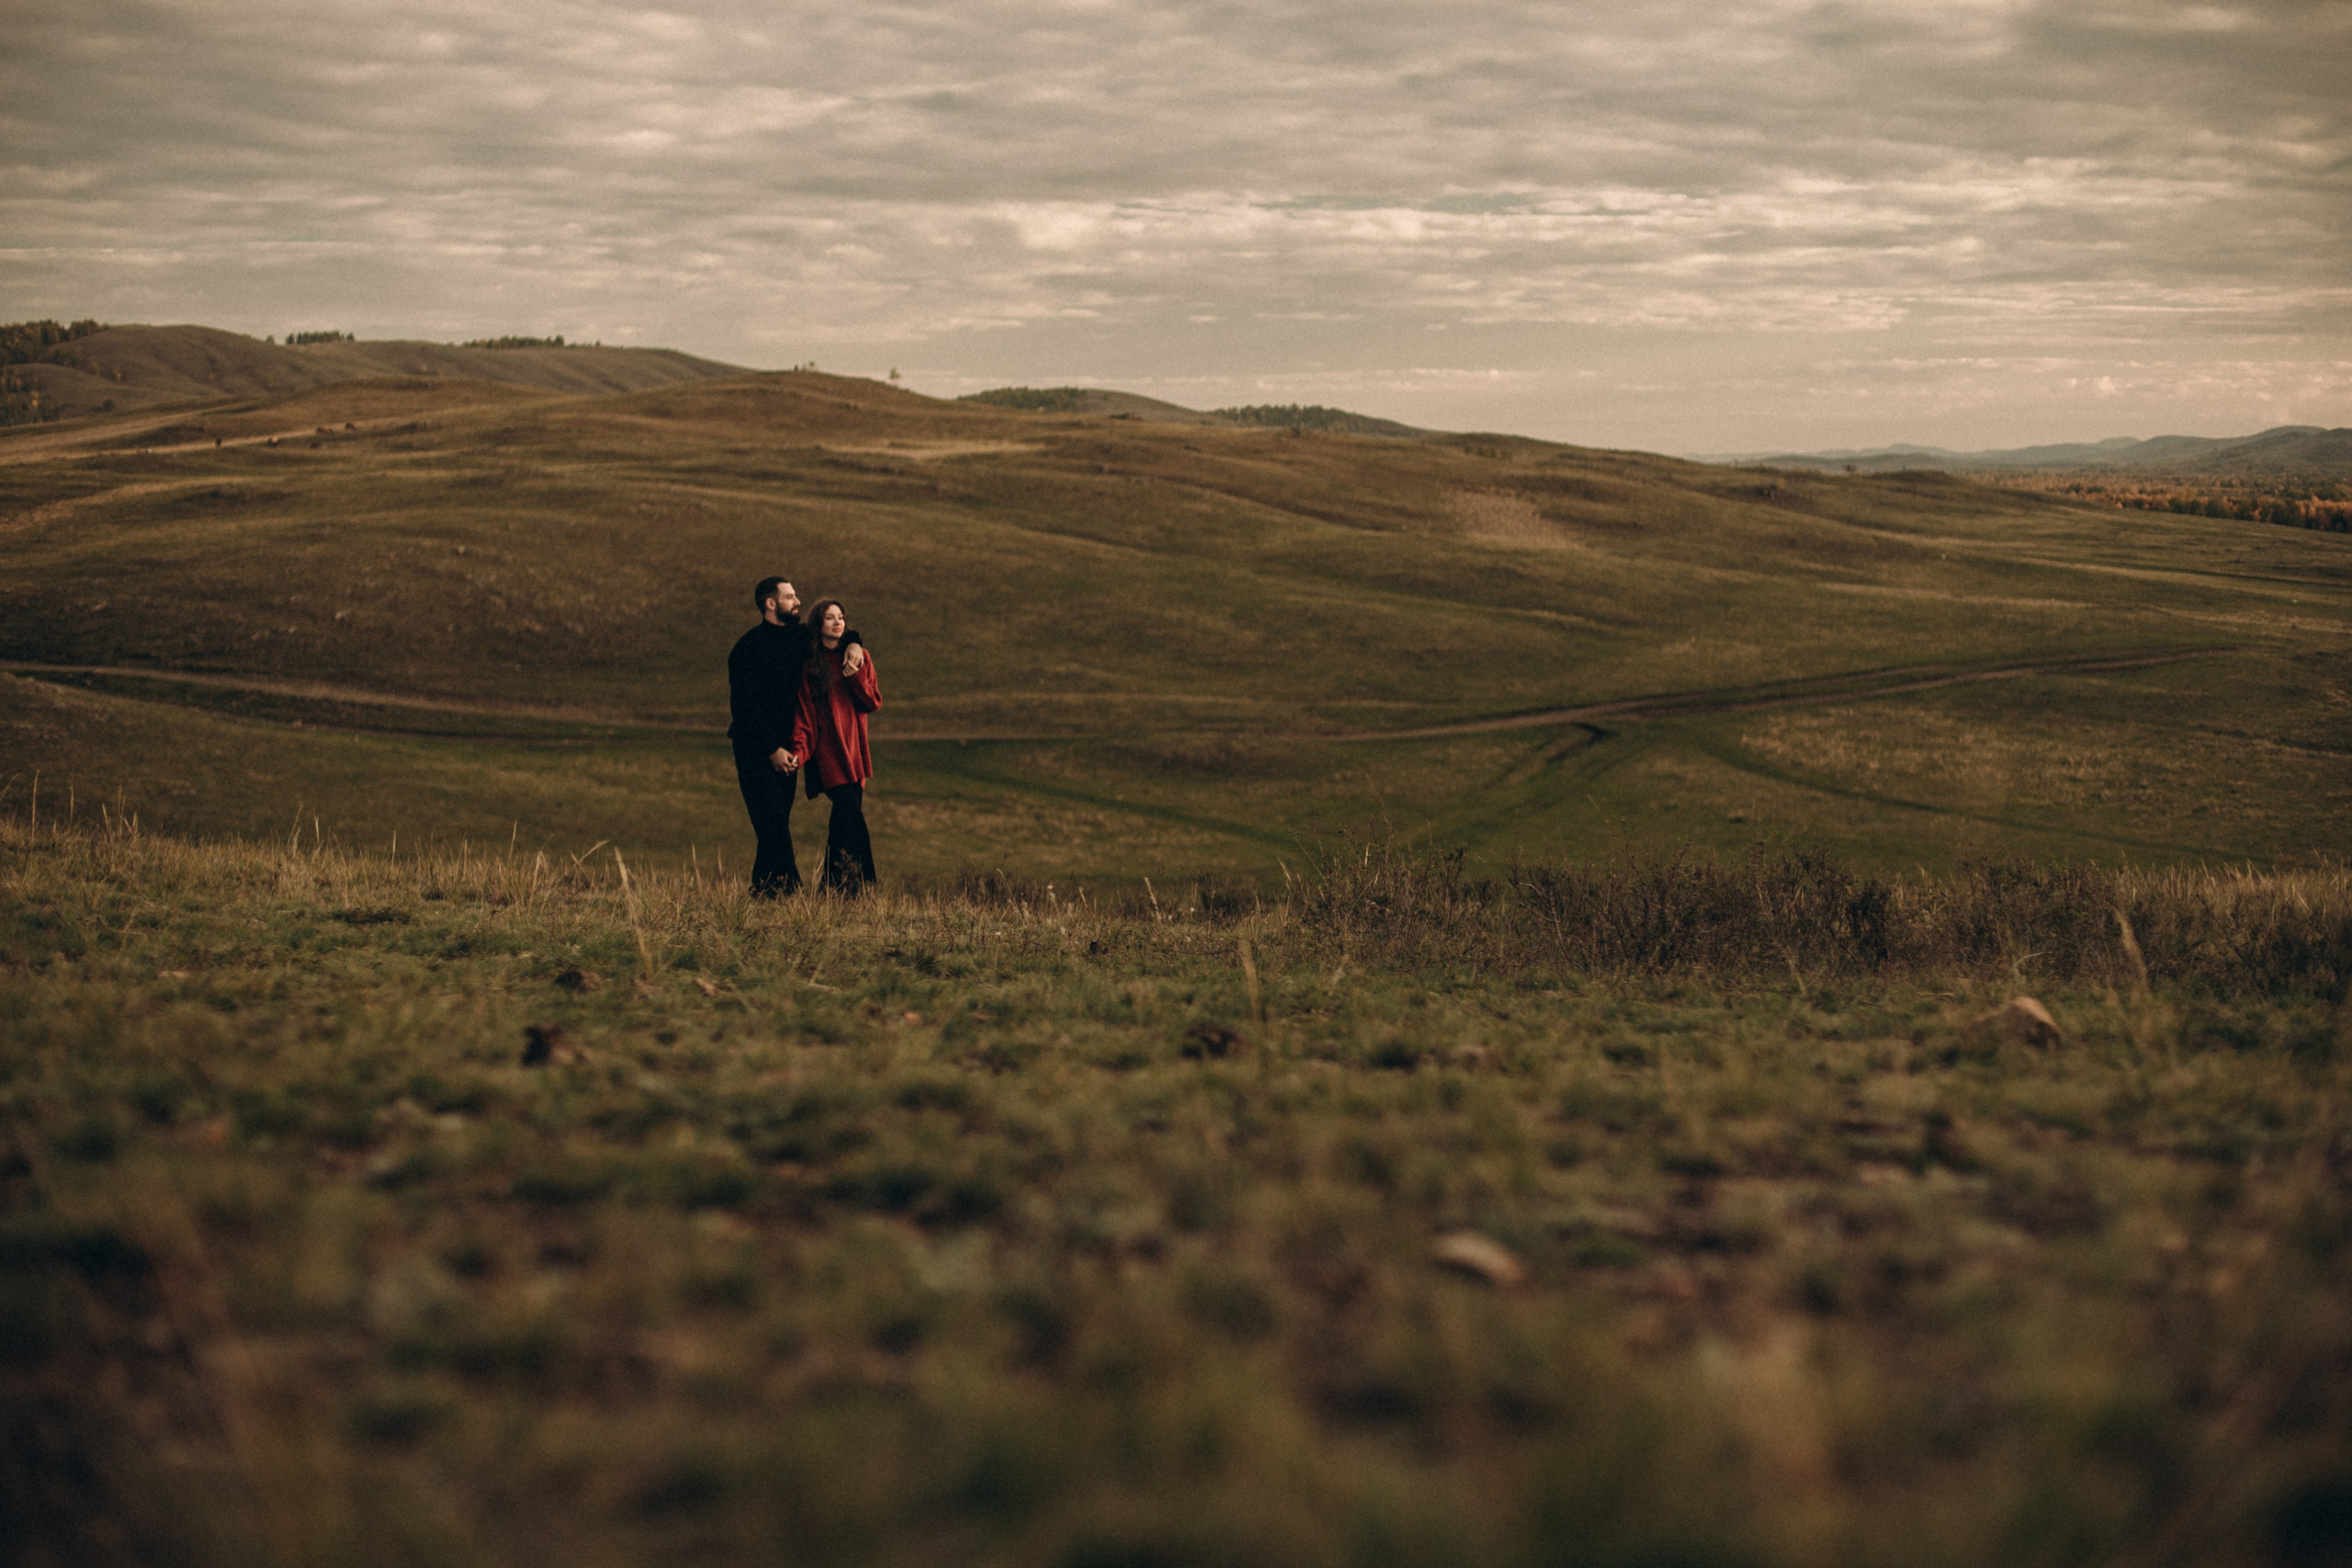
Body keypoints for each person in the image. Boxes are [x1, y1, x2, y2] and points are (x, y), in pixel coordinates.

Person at [726, 577, 861, 897]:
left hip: (788, 749)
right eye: (789, 597)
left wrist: (855, 644)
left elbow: (838, 635)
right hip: (754, 748)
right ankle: (792, 891)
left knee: (776, 822)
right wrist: (772, 748)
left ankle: (765, 889)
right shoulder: (747, 648)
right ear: (770, 604)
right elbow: (744, 706)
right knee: (770, 819)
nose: (797, 601)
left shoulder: (802, 638)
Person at [786, 597, 883, 892]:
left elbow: (872, 702)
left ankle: (834, 887)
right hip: (827, 752)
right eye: (830, 617)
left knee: (843, 822)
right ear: (819, 623)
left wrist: (854, 676)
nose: (838, 622)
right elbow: (804, 715)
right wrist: (799, 753)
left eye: (841, 617)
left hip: (855, 750)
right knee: (851, 813)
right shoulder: (810, 664)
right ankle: (863, 884)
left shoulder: (859, 656)